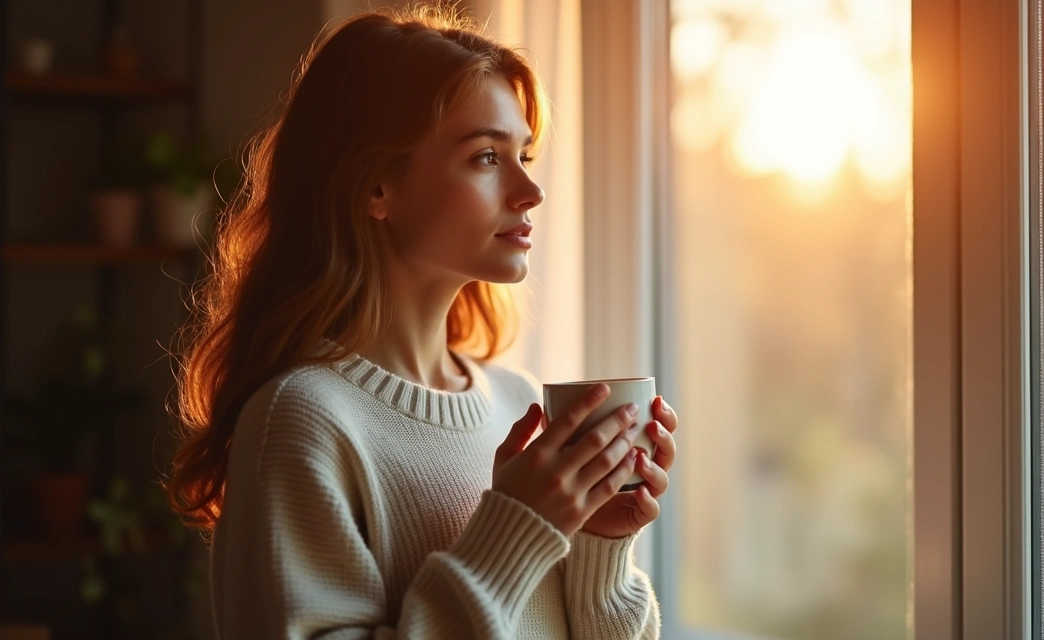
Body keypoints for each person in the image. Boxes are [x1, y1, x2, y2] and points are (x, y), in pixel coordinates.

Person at [164, 5, 679, 638]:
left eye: (525, 154)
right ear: (377, 186)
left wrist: (599, 547)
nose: (531, 191)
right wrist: (516, 525)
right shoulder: (302, 420)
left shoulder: (515, 401)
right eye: (487, 157)